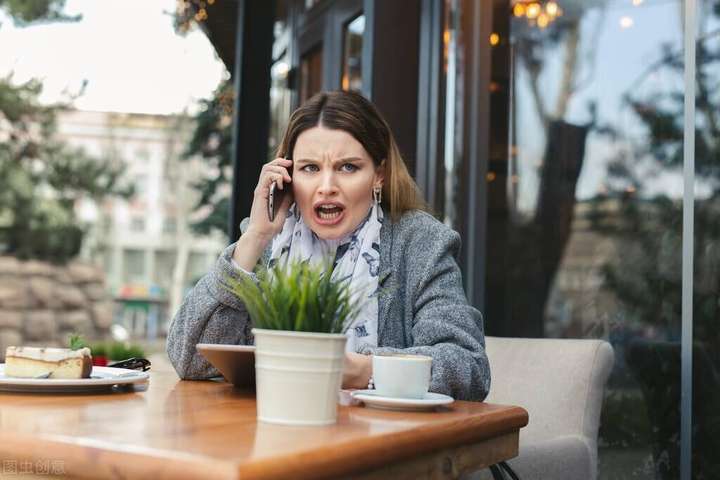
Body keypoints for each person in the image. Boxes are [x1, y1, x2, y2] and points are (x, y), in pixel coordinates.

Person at [166, 90, 490, 401]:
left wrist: (359, 370)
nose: (326, 187)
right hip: (275, 435)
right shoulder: (267, 244)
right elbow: (188, 357)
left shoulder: (419, 241)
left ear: (379, 174)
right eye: (310, 168)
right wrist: (255, 237)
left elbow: (468, 366)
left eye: (347, 167)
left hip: (381, 443)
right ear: (288, 176)